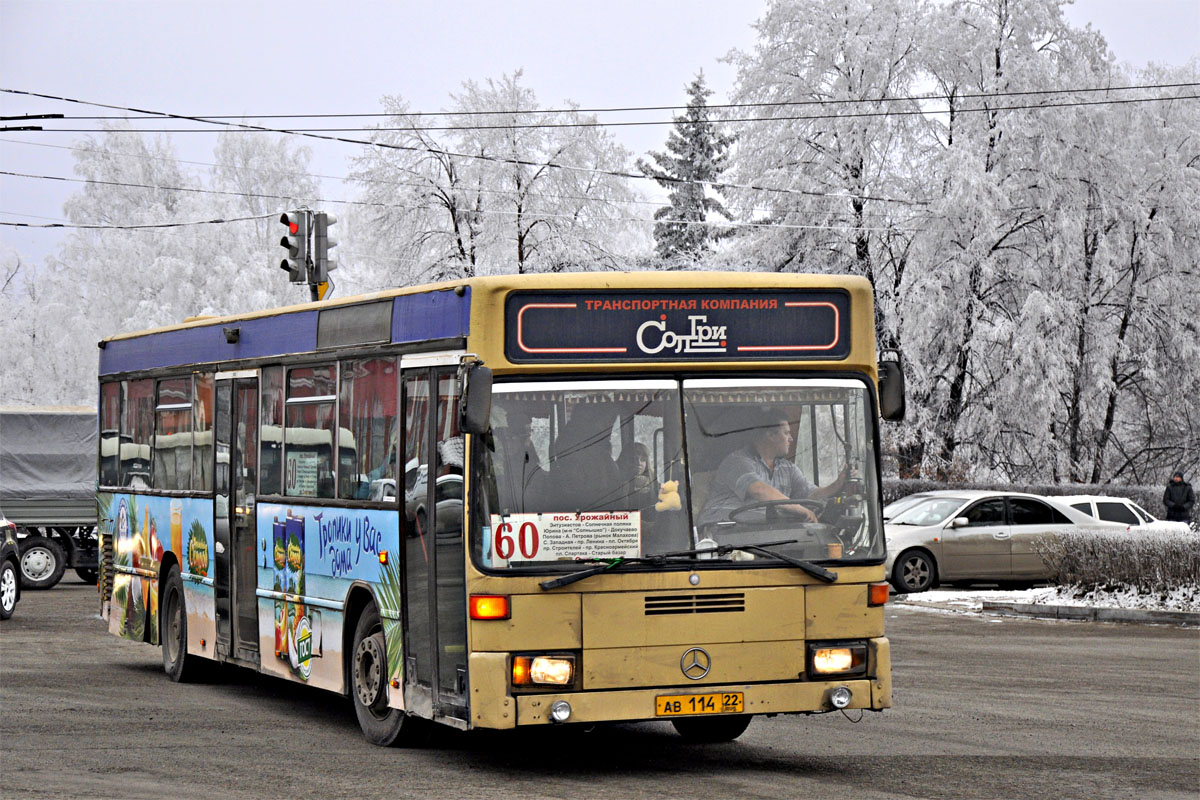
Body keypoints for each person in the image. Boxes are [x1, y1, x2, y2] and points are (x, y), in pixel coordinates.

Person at [698, 407, 847, 529]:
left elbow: (810, 494)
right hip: (721, 533)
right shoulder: (737, 461)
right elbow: (759, 490)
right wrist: (798, 508)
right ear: (770, 435)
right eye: (786, 433)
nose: (791, 439)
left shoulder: (787, 468)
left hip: (761, 534)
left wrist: (837, 484)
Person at [619, 442, 658, 509]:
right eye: (633, 459)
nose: (639, 463)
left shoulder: (654, 484)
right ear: (624, 460)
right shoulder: (617, 484)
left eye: (643, 460)